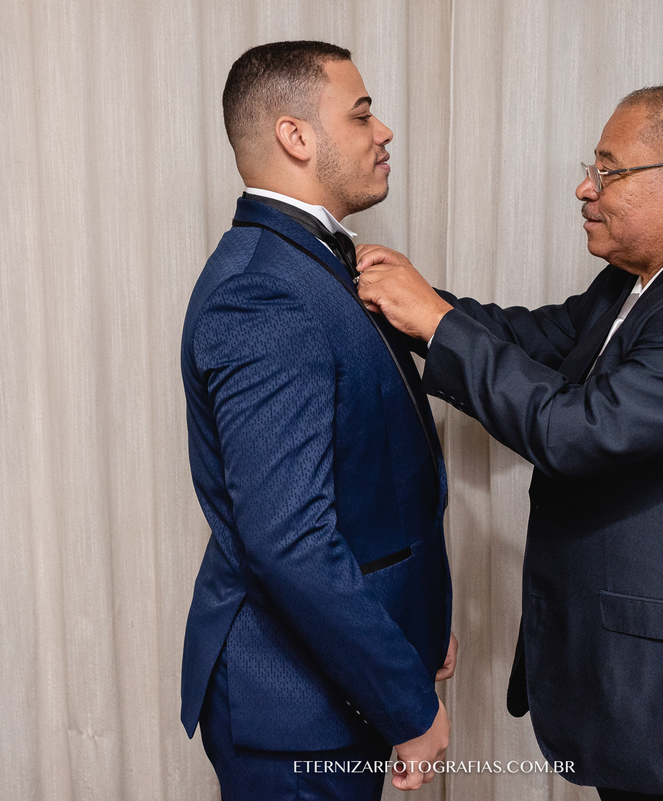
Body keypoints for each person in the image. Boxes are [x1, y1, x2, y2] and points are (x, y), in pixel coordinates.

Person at [356, 80, 663, 800]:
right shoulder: (645, 278)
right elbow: (530, 340)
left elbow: (581, 430)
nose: (585, 188)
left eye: (609, 170)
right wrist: (411, 303)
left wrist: (434, 321)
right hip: (649, 706)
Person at [179, 40, 455, 799]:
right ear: (295, 136)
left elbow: (371, 483)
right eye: (362, 114)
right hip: (295, 710)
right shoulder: (264, 294)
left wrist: (419, 623)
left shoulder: (311, 262)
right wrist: (405, 700)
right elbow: (289, 539)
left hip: (332, 688)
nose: (384, 131)